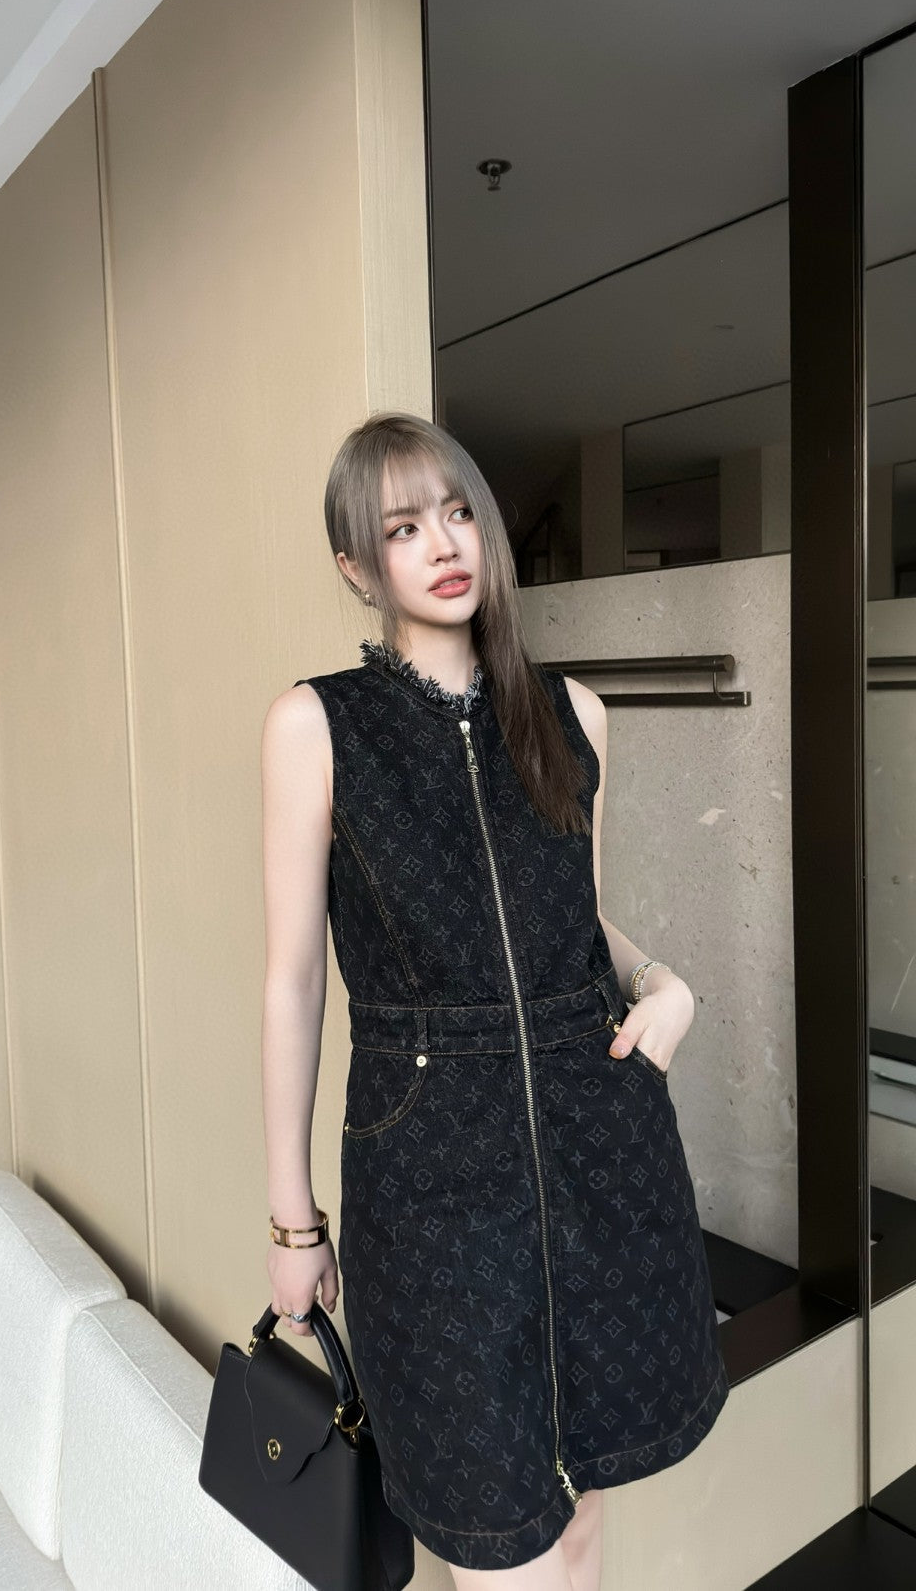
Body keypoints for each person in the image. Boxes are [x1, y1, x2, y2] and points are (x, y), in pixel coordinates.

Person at [259, 412, 729, 1589]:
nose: (443, 543)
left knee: (581, 1520)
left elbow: (580, 922)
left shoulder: (572, 714)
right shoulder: (318, 726)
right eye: (402, 528)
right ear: (356, 567)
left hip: (597, 1147)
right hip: (431, 1178)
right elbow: (293, 979)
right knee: (499, 1541)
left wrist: (668, 985)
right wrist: (293, 1223)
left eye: (459, 512)